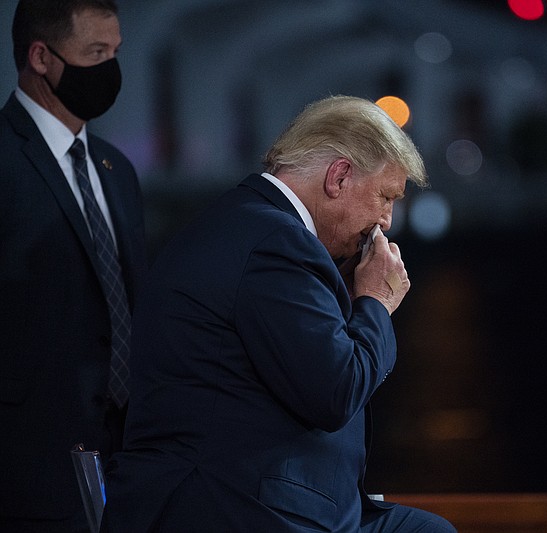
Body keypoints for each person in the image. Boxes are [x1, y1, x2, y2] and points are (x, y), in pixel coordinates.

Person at [103, 95, 455, 532]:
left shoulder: (249, 223)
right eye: (386, 196)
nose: (386, 220)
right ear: (339, 176)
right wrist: (376, 303)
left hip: (247, 497)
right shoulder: (277, 242)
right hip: (234, 508)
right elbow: (336, 392)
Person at [0, 0, 146, 531]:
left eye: (116, 52)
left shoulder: (117, 169)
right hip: (28, 467)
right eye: (95, 53)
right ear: (41, 57)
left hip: (125, 456)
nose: (110, 69)